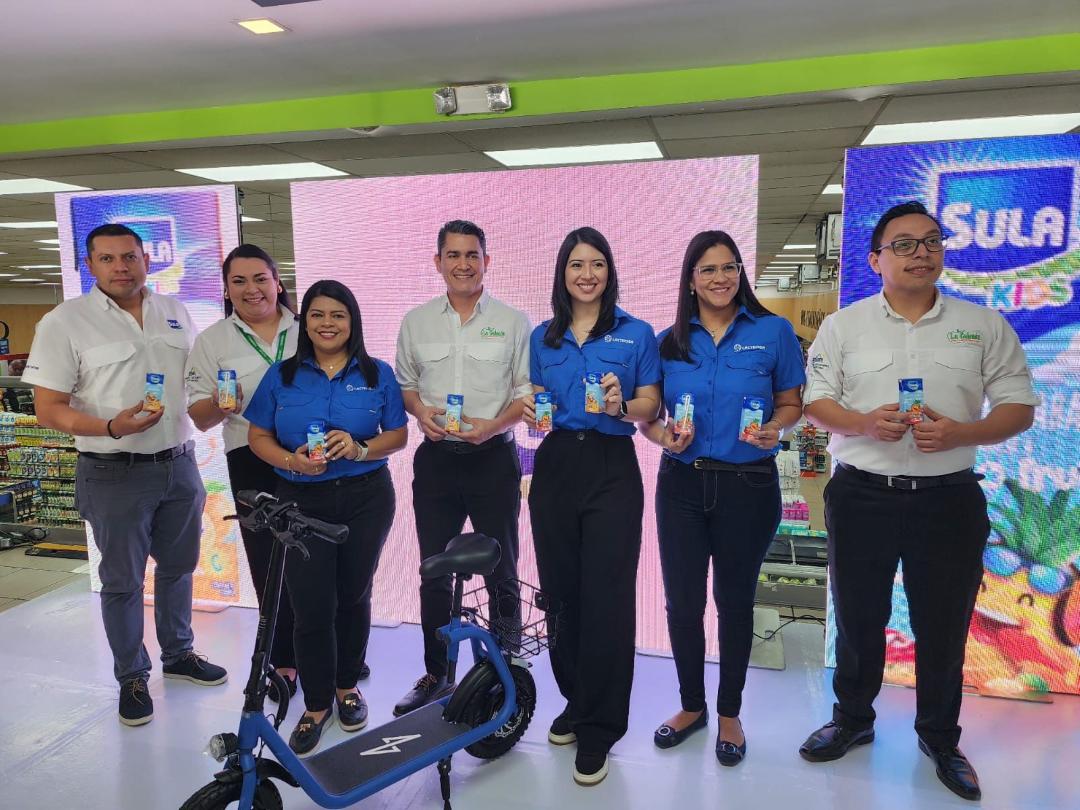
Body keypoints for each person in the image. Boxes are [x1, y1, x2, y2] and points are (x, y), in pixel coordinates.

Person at [797, 201, 1038, 801]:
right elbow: (816, 401)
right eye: (903, 244)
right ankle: (852, 720)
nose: (920, 252)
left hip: (948, 499)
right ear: (875, 259)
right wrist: (861, 422)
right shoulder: (844, 326)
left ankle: (940, 737)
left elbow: (1018, 407)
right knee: (858, 619)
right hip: (862, 495)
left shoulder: (983, 325)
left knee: (944, 626)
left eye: (931, 241)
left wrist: (962, 433)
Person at [23, 223, 227, 727]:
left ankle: (178, 654)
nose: (121, 267)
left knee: (179, 568)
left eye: (130, 257)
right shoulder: (64, 322)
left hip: (179, 464)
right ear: (89, 265)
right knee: (123, 581)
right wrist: (110, 426)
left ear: (146, 260)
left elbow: (193, 383)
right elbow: (48, 407)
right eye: (108, 258)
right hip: (112, 471)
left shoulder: (175, 312)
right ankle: (132, 676)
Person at [640, 230, 805, 766]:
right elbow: (649, 418)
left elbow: (791, 403)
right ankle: (692, 706)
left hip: (747, 486)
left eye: (729, 267)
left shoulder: (773, 331)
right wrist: (663, 437)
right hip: (681, 485)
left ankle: (729, 711)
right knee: (682, 603)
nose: (720, 278)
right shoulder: (667, 342)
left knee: (734, 603)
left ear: (740, 272)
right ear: (690, 279)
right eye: (708, 269)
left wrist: (777, 428)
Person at [245, 280, 407, 756]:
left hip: (366, 498)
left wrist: (359, 448)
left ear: (352, 321)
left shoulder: (378, 374)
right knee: (311, 604)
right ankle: (316, 704)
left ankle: (346, 686)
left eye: (338, 314)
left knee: (354, 595)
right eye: (317, 314)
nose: (327, 323)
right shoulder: (283, 375)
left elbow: (397, 435)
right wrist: (290, 461)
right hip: (300, 501)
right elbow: (257, 436)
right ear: (305, 322)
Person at [523, 226, 661, 786]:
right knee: (560, 594)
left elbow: (651, 404)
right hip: (556, 463)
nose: (587, 274)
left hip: (611, 467)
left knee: (607, 597)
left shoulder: (636, 333)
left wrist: (622, 404)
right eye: (576, 265)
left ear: (610, 271)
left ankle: (600, 726)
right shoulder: (543, 336)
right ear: (562, 273)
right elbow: (537, 400)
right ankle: (576, 700)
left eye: (597, 264)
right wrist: (532, 410)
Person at [393, 220, 531, 716]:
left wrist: (492, 427)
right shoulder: (416, 322)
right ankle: (437, 673)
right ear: (438, 262)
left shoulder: (514, 322)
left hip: (493, 461)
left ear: (486, 261)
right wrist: (419, 412)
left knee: (502, 569)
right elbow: (406, 385)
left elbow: (526, 394)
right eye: (453, 255)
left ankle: (506, 672)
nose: (463, 264)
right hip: (436, 463)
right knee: (434, 570)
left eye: (472, 255)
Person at [185, 244, 301, 700]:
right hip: (250, 456)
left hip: (310, 454)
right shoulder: (213, 341)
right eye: (239, 281)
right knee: (268, 559)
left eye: (260, 278)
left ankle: (330, 650)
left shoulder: (307, 328)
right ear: (227, 290)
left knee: (321, 555)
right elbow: (199, 417)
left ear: (277, 281)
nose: (251, 289)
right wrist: (220, 404)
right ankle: (284, 658)